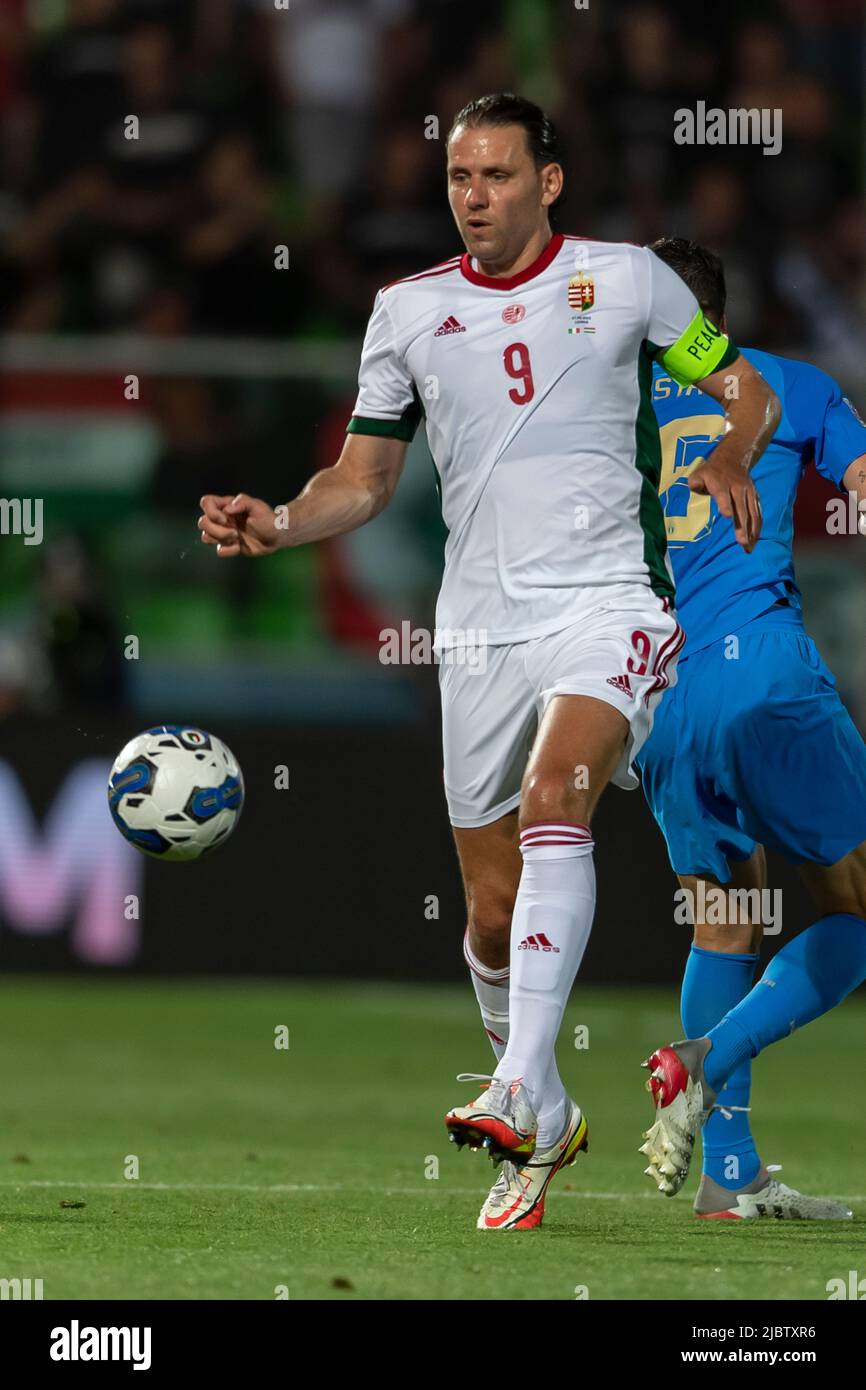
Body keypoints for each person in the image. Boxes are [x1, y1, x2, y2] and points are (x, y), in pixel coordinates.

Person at [198, 95, 779, 1231]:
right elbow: (360, 483)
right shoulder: (406, 312)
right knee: (485, 910)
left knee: (554, 795)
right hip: (474, 632)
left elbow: (742, 390)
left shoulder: (626, 282)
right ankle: (546, 1109)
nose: (473, 195)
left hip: (605, 605)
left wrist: (730, 457)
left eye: (497, 175)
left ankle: (512, 1084)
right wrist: (276, 517)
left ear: (548, 182)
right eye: (458, 177)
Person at [637, 237, 866, 1219]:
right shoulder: (781, 383)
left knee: (721, 914)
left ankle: (727, 1178)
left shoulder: (607, 405)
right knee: (854, 911)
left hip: (654, 694)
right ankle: (701, 1059)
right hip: (759, 666)